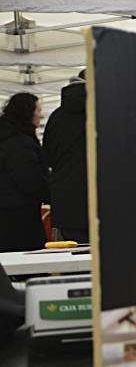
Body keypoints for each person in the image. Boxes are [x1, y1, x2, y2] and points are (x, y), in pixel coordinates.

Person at [0, 93, 50, 252]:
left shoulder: (9, 136)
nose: (40, 115)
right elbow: (29, 178)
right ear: (27, 112)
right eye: (38, 110)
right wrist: (50, 193)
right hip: (19, 216)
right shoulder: (19, 142)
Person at [43, 70, 88, 243]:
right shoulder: (103, 112)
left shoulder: (56, 117)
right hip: (102, 199)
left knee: (74, 259)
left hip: (66, 202)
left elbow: (47, 157)